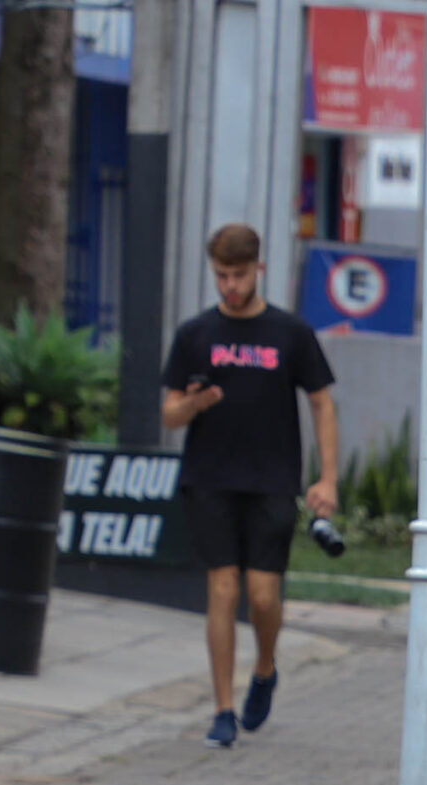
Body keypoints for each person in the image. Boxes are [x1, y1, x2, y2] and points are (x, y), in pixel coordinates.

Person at [160, 224, 339, 750]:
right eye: (221, 275)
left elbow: (322, 402)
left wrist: (327, 479)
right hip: (209, 477)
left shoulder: (289, 333)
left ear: (258, 269)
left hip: (271, 479)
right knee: (222, 587)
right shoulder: (196, 334)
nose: (230, 286)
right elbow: (169, 413)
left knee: (263, 595)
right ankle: (221, 708)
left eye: (238, 275)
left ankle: (264, 667)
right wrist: (194, 404)